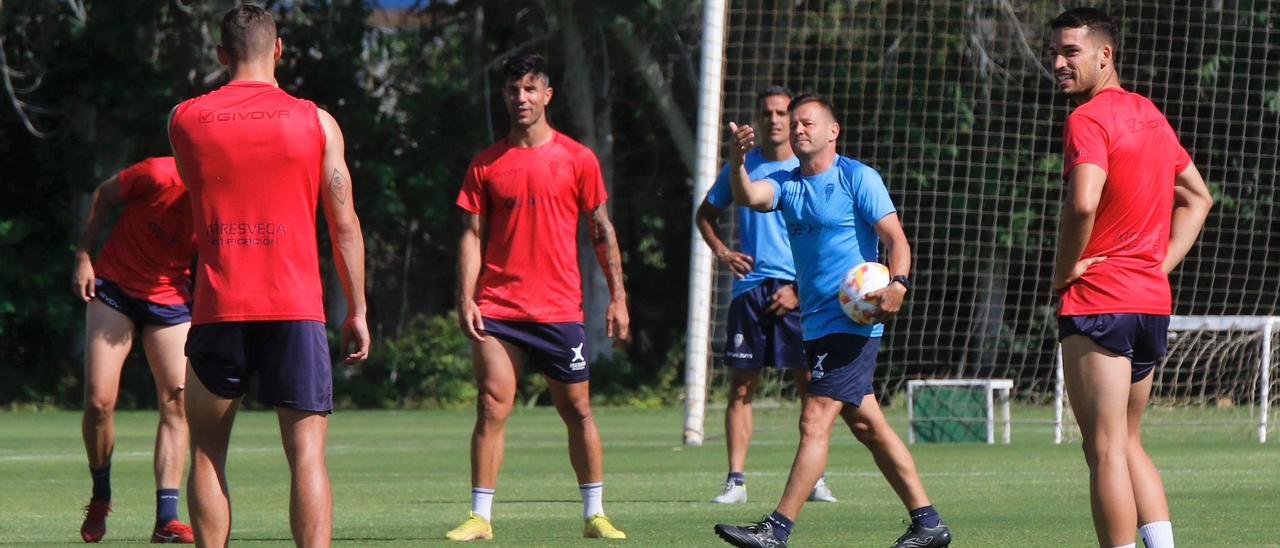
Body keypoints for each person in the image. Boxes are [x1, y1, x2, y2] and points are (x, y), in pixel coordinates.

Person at [168, 5, 370, 547]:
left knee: (207, 450)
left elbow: (195, 185)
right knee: (306, 455)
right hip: (296, 307)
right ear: (278, 49)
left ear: (220, 55)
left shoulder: (184, 118)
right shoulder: (317, 122)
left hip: (219, 306)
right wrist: (359, 310)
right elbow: (344, 224)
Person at [712, 94, 951, 548]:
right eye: (794, 124)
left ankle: (777, 529)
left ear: (832, 131)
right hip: (816, 324)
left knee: (815, 419)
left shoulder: (857, 178)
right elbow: (747, 195)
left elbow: (896, 239)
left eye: (808, 123)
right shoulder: (784, 182)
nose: (799, 129)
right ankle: (928, 522)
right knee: (869, 427)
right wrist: (737, 160)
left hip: (854, 322)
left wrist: (898, 284)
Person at [1047, 8, 1213, 548]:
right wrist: (1157, 266)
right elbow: (1198, 197)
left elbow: (1082, 205)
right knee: (1128, 439)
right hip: (1148, 301)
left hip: (1100, 299)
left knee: (1105, 449)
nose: (1059, 63)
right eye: (1055, 52)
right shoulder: (1150, 114)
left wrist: (1065, 270)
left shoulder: (1087, 120)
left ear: (1104, 55)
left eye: (1071, 52)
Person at [448, 53, 629, 542]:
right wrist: (466, 296)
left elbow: (601, 229)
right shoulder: (485, 164)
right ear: (504, 96)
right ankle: (480, 517)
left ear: (547, 95)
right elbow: (471, 233)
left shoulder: (578, 159)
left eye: (530, 89)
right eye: (512, 90)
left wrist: (618, 298)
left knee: (577, 409)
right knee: (491, 405)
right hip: (499, 307)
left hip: (558, 309)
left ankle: (595, 513)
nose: (521, 98)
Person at [695, 86, 835, 505]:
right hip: (752, 290)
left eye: (781, 113)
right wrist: (722, 252)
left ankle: (816, 478)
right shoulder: (742, 168)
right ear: (758, 121)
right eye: (767, 114)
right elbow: (705, 214)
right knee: (741, 386)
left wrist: (797, 288)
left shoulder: (809, 168)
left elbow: (827, 235)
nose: (775, 120)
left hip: (800, 292)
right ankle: (735, 480)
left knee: (811, 384)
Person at [71, 156, 197, 544]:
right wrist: (83, 256)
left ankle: (166, 521)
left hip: (171, 298)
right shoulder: (158, 172)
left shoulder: (225, 193)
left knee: (178, 399)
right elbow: (104, 195)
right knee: (99, 403)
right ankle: (101, 495)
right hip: (117, 288)